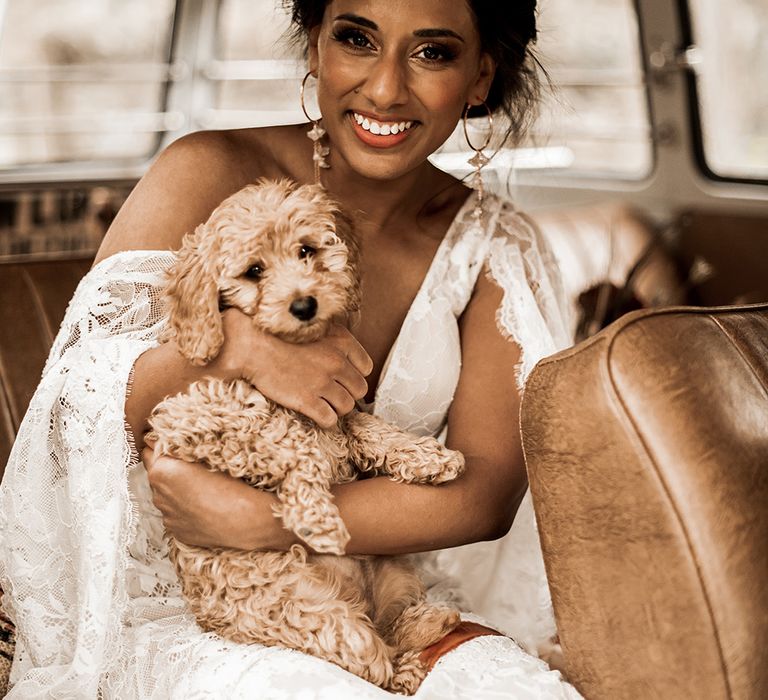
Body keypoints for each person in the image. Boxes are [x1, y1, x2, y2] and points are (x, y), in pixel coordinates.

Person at [0, 0, 580, 697]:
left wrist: (266, 522)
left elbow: (484, 495)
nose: (387, 88)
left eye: (433, 53)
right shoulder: (206, 168)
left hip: (377, 593)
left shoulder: (498, 248)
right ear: (315, 48)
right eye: (357, 39)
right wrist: (235, 352)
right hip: (171, 604)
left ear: (481, 76)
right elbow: (68, 414)